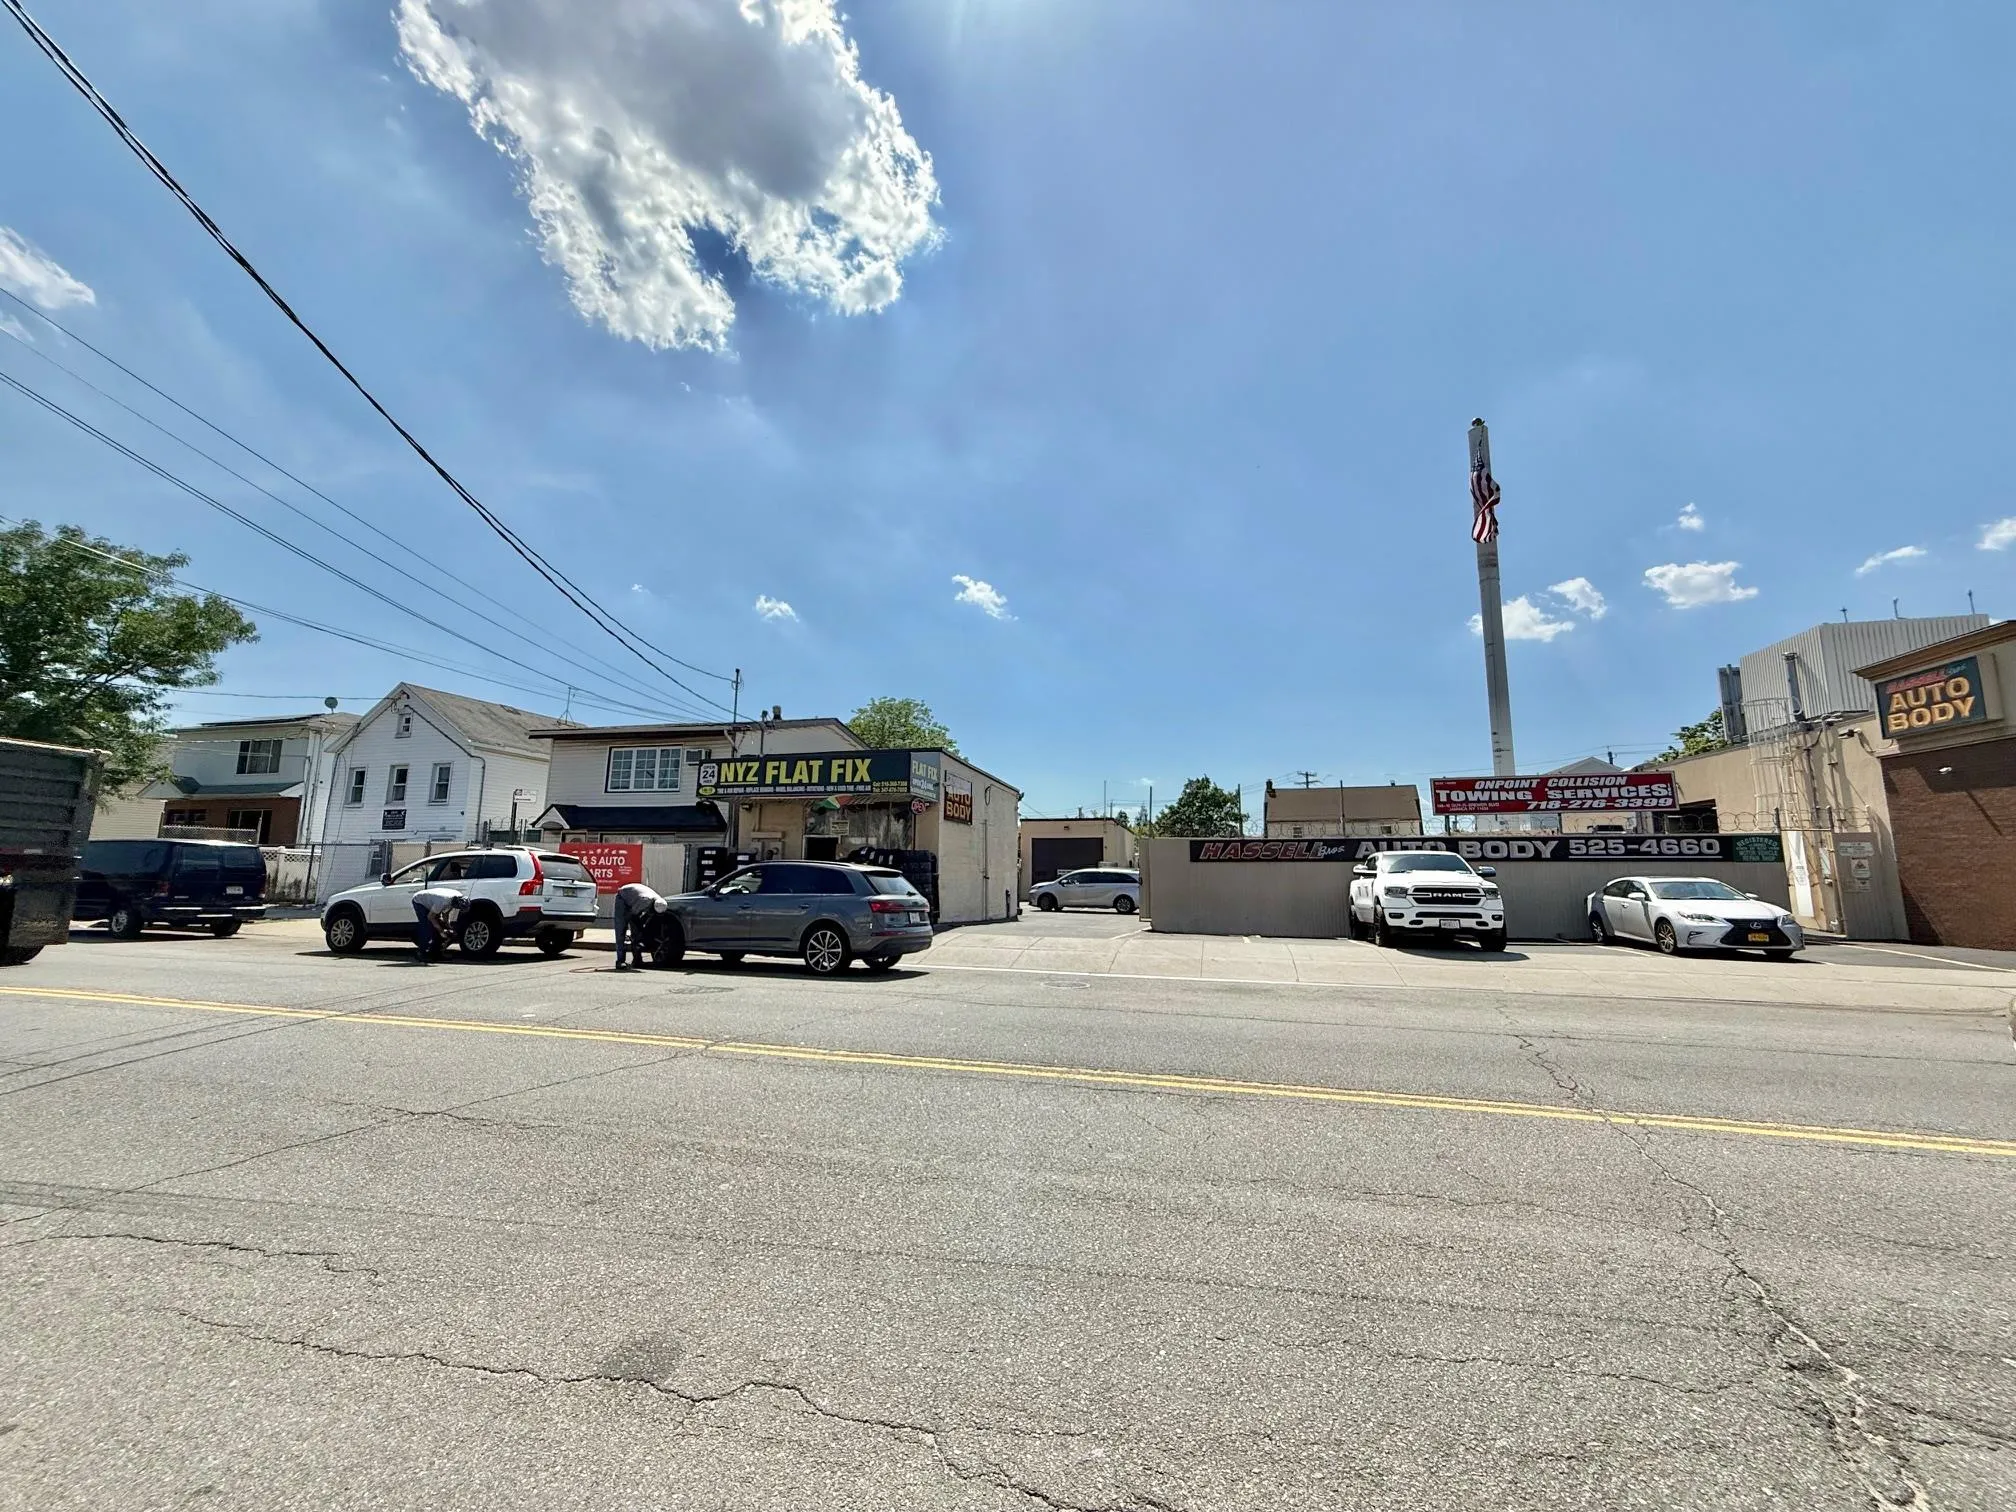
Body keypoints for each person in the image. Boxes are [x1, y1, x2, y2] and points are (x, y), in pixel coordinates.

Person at [612, 880, 668, 970]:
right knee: (621, 931)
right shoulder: (645, 901)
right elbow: (634, 916)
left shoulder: (660, 901)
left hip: (635, 895)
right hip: (623, 898)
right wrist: (641, 932)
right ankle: (620, 961)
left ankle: (637, 960)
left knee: (636, 934)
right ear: (652, 907)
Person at [410, 883, 468, 964]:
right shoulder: (442, 901)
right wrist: (441, 931)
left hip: (433, 901)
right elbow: (430, 917)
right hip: (420, 901)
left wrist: (448, 926)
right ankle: (421, 953)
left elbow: (445, 914)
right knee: (427, 927)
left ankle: (436, 953)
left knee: (441, 928)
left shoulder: (457, 897)